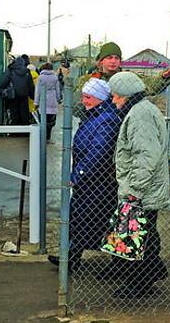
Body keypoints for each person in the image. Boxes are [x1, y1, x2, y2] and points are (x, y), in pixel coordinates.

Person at [47, 78, 121, 269]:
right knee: (84, 219)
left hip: (97, 182)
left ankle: (78, 259)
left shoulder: (106, 120)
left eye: (88, 97)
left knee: (96, 221)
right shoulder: (98, 116)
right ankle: (71, 257)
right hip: (91, 181)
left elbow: (99, 152)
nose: (84, 100)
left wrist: (78, 173)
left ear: (100, 98)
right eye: (84, 96)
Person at [109, 72, 170, 298]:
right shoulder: (143, 110)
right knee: (144, 233)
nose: (113, 101)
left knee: (138, 236)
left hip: (142, 191)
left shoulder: (139, 115)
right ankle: (150, 273)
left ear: (126, 96)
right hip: (145, 188)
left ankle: (140, 283)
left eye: (116, 96)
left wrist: (134, 189)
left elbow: (146, 155)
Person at [74, 42, 170, 117]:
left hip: (120, 124)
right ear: (101, 61)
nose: (113, 61)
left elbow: (148, 85)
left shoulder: (127, 78)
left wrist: (163, 77)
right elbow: (75, 106)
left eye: (116, 58)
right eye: (109, 58)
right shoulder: (89, 80)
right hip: (92, 126)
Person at [0, 55, 35, 125]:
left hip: (13, 96)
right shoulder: (27, 72)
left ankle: (14, 133)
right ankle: (24, 133)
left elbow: (3, 83)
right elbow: (30, 86)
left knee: (14, 115)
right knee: (24, 115)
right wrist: (32, 96)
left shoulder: (11, 70)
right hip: (24, 96)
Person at [34, 62, 62, 142]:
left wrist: (36, 102)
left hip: (43, 100)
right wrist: (58, 99)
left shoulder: (40, 77)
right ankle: (48, 136)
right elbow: (58, 89)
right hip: (52, 99)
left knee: (42, 120)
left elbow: (38, 91)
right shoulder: (55, 77)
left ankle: (42, 136)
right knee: (50, 120)